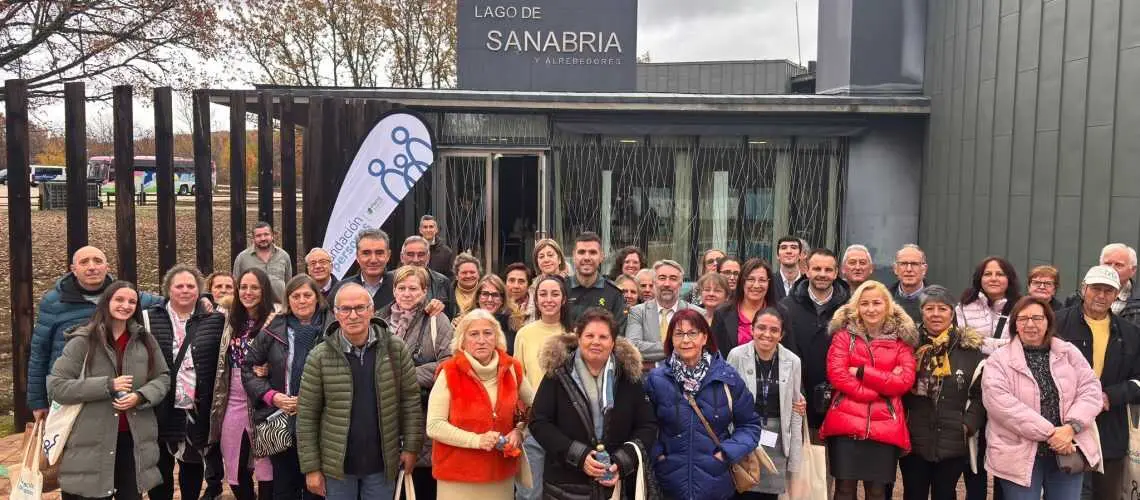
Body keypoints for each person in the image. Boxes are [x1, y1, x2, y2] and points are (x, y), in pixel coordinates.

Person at [296, 283, 423, 499]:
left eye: (360, 308)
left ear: (371, 310)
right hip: (337, 467)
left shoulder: (395, 349)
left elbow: (410, 401)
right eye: (345, 309)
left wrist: (411, 447)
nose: (353, 315)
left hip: (382, 464)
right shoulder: (319, 356)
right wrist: (311, 468)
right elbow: (307, 416)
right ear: (336, 314)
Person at [48, 281, 170, 500]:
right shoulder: (82, 341)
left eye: (132, 301)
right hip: (91, 440)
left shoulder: (146, 340)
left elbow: (162, 378)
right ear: (107, 302)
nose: (126, 305)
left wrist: (140, 396)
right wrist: (107, 386)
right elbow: (57, 386)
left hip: (133, 439)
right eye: (119, 300)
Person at [982, 296, 1103, 499]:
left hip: (1067, 449)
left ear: (1048, 322)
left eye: (1037, 318)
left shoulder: (1068, 353)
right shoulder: (998, 360)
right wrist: (1052, 434)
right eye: (1023, 319)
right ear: (1015, 325)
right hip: (1018, 453)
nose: (1030, 324)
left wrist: (1071, 428)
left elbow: (1091, 390)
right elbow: (1001, 405)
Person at [531, 308, 658, 499]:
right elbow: (539, 422)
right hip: (566, 486)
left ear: (613, 342)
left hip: (616, 485)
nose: (596, 342)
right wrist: (578, 456)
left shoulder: (628, 377)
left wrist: (622, 461)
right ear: (578, 338)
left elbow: (647, 425)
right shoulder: (557, 375)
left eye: (603, 337)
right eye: (589, 335)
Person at [29, 245, 161, 421]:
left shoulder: (123, 295)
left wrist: (204, 298)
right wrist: (38, 401)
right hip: (71, 391)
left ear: (107, 267)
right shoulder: (54, 302)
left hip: (114, 392)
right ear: (73, 270)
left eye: (98, 261)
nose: (92, 267)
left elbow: (172, 299)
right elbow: (40, 351)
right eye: (84, 262)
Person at [644, 308, 762, 500]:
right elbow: (645, 426)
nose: (686, 340)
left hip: (716, 483)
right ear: (671, 339)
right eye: (679, 334)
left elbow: (750, 425)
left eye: (692, 333)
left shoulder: (726, 377)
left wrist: (725, 453)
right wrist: (659, 456)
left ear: (704, 337)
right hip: (669, 483)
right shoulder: (656, 379)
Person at [819, 280, 917, 500]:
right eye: (865, 303)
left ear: (888, 306)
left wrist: (863, 372)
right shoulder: (844, 337)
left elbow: (904, 381)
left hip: (885, 427)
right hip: (846, 424)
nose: (871, 309)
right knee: (844, 490)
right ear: (857, 307)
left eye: (877, 303)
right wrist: (876, 391)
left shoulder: (901, 342)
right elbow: (838, 375)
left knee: (877, 492)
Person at [427, 309, 536, 499]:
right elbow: (434, 426)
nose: (481, 340)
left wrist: (520, 431)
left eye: (487, 333)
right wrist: (477, 441)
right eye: (473, 334)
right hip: (457, 477)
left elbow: (537, 408)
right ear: (462, 340)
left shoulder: (512, 368)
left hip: (500, 475)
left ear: (497, 337)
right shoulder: (449, 372)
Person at [242, 275, 331, 500]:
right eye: (295, 296)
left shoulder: (333, 328)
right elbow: (248, 367)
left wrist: (312, 399)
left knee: (317, 487)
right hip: (281, 417)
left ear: (317, 297)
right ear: (288, 300)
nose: (302, 300)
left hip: (320, 420)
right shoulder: (273, 329)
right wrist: (271, 396)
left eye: (307, 295)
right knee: (284, 486)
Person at [1054, 265, 1140, 498]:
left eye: (1108, 290)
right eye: (1095, 289)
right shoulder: (1057, 323)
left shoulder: (1130, 333)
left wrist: (1110, 396)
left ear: (1117, 293)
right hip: (1066, 426)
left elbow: (1138, 380)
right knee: (1067, 492)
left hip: (1110, 428)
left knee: (1106, 493)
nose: (1101, 296)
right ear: (1084, 289)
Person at [147, 265, 228, 500]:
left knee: (191, 465)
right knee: (160, 465)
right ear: (168, 289)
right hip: (161, 404)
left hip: (195, 406)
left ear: (199, 290)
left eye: (190, 286)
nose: (185, 290)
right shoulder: (150, 317)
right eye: (179, 286)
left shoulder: (215, 320)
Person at [373, 264, 454, 498]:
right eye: (401, 288)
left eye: (413, 288)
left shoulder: (437, 321)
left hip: (421, 413)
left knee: (419, 485)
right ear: (394, 290)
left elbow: (447, 364)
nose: (407, 293)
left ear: (424, 291)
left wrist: (401, 376)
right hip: (384, 414)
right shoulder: (378, 320)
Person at [899, 285, 986, 500]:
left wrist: (967, 424)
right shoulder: (908, 346)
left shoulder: (969, 350)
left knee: (946, 494)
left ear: (952, 313)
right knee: (914, 493)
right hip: (914, 438)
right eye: (929, 309)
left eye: (942, 309)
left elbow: (980, 394)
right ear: (922, 312)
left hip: (954, 438)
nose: (936, 314)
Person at [209, 268, 279, 500]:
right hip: (233, 396)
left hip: (264, 398)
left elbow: (287, 354)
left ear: (264, 290)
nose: (248, 292)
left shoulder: (276, 318)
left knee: (266, 462)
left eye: (255, 287)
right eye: (244, 287)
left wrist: (272, 366)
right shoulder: (230, 318)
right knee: (234, 462)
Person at [725, 307, 806, 500]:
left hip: (777, 441)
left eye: (774, 330)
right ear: (752, 329)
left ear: (782, 334)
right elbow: (725, 400)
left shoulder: (792, 361)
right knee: (741, 490)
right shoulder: (736, 355)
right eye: (761, 328)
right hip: (743, 435)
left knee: (768, 496)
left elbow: (795, 410)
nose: (767, 334)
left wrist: (794, 457)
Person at [778, 248, 851, 432]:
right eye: (817, 269)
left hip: (839, 400)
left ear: (836, 273)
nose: (822, 274)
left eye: (828, 270)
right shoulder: (786, 307)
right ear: (806, 270)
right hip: (796, 398)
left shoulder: (850, 308)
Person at [513, 275, 573, 500]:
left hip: (568, 425)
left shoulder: (574, 334)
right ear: (535, 300)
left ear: (564, 299)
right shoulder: (524, 334)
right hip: (534, 422)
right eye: (543, 294)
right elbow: (518, 379)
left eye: (555, 294)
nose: (549, 299)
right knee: (530, 493)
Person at [626, 260, 705, 370]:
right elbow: (632, 347)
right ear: (654, 282)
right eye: (662, 278)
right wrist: (680, 347)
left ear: (680, 283)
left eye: (673, 279)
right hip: (647, 382)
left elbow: (701, 349)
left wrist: (653, 363)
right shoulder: (638, 312)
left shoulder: (698, 313)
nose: (667, 284)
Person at [712, 258, 779, 357]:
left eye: (762, 280)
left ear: (769, 283)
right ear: (742, 282)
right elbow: (714, 354)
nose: (756, 285)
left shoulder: (781, 313)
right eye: (751, 279)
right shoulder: (722, 313)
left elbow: (788, 356)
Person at [957, 256, 1022, 355]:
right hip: (973, 368)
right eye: (987, 274)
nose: (993, 279)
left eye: (1000, 274)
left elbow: (1022, 343)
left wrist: (977, 342)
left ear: (1009, 279)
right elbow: (960, 341)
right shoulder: (964, 306)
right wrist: (1004, 344)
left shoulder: (1021, 308)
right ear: (980, 278)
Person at [567, 231, 626, 330]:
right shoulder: (561, 289)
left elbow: (619, 336)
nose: (587, 257)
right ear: (574, 256)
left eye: (593, 252)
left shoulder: (615, 295)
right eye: (581, 252)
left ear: (601, 256)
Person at [333, 228, 395, 309]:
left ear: (388, 255)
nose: (373, 260)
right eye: (366, 253)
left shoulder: (401, 287)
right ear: (357, 256)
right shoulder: (341, 288)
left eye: (379, 253)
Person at [233, 221, 293, 299]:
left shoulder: (284, 256)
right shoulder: (242, 258)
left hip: (279, 306)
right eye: (258, 236)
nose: (263, 238)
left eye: (266, 234)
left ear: (272, 236)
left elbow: (289, 284)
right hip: (252, 306)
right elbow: (236, 285)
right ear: (253, 238)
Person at [402, 235, 458, 318]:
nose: (416, 259)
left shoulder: (442, 282)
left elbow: (453, 315)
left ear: (428, 257)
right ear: (402, 257)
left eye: (421, 255)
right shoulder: (389, 280)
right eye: (410, 254)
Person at [469, 274, 519, 353]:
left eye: (495, 295)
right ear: (477, 298)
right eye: (485, 294)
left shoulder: (513, 326)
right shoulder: (464, 323)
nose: (490, 299)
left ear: (502, 300)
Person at [890, 244, 927, 323]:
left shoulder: (939, 300)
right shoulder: (884, 298)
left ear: (924, 269)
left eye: (914, 264)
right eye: (903, 264)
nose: (909, 269)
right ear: (895, 269)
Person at [453, 252, 482, 319]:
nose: (468, 276)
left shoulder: (486, 293)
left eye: (472, 272)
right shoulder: (447, 293)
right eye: (464, 273)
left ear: (478, 274)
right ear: (456, 276)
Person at [505, 262, 535, 328]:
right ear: (505, 283)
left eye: (521, 281)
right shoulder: (498, 307)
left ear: (528, 285)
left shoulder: (538, 309)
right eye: (511, 280)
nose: (516, 286)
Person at [773, 237, 803, 302]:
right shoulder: (769, 282)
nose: (789, 251)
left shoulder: (808, 284)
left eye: (794, 247)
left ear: (800, 255)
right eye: (783, 248)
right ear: (777, 255)